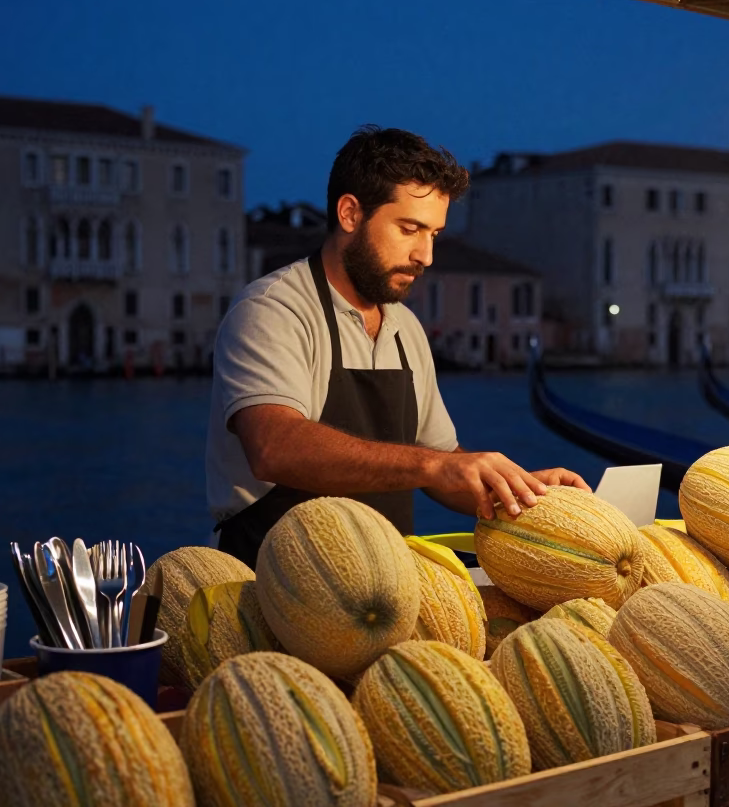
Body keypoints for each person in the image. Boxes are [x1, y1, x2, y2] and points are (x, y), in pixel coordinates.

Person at [206, 125, 590, 567]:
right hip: (269, 583)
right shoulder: (272, 311)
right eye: (410, 229)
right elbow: (274, 447)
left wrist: (519, 489)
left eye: (434, 235)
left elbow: (444, 464)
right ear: (350, 214)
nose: (425, 255)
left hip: (385, 588)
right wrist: (432, 466)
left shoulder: (405, 327)